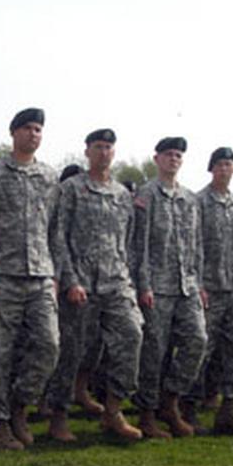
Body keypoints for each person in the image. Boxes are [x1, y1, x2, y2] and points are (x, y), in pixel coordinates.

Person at [0, 107, 59, 449]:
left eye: (38, 129)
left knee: (49, 345)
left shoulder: (49, 177)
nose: (33, 134)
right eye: (27, 129)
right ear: (13, 133)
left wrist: (56, 274)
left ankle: (20, 406)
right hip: (1, 275)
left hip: (39, 275)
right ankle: (0, 423)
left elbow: (54, 230)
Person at [46, 128, 144, 441]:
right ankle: (59, 415)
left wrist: (127, 278)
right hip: (81, 285)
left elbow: (127, 242)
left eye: (109, 148)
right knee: (71, 352)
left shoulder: (121, 195)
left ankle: (113, 409)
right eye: (98, 147)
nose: (104, 152)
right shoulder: (71, 189)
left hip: (116, 283)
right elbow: (58, 237)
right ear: (87, 151)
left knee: (132, 336)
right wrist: (70, 280)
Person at [131, 137, 206, 439]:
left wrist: (198, 282)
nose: (173, 159)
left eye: (178, 155)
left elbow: (196, 245)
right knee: (154, 353)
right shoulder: (145, 196)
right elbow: (139, 246)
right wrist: (143, 284)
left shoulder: (190, 199)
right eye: (168, 154)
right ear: (157, 159)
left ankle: (170, 401)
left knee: (197, 340)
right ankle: (147, 414)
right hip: (156, 288)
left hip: (186, 286)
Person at [188, 147, 233, 435]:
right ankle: (188, 407)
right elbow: (191, 246)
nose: (223, 169)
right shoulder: (198, 202)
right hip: (208, 288)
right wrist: (197, 284)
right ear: (211, 169)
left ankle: (230, 408)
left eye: (228, 164)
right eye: (218, 165)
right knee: (200, 349)